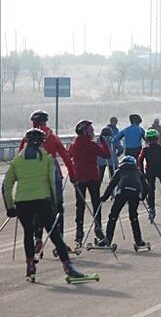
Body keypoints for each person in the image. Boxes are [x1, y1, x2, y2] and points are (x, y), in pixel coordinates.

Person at [4, 129, 88, 282]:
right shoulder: (46, 159)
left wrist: (10, 207)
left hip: (22, 202)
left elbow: (6, 185)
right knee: (54, 234)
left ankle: (30, 266)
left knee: (28, 233)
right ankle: (68, 267)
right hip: (42, 200)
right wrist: (58, 203)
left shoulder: (17, 161)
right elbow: (54, 182)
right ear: (42, 142)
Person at [18, 110, 76, 253]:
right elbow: (65, 156)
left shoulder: (27, 138)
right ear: (45, 121)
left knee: (38, 207)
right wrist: (73, 174)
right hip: (53, 173)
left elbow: (20, 158)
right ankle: (60, 241)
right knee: (57, 207)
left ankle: (38, 238)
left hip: (34, 176)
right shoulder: (52, 137)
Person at [69, 120, 111, 246]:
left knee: (80, 206)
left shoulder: (73, 145)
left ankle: (79, 232)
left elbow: (68, 156)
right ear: (84, 131)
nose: (92, 132)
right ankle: (98, 230)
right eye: (90, 130)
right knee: (96, 203)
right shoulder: (91, 145)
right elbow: (107, 155)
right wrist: (104, 142)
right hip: (93, 177)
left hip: (79, 178)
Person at [98, 156, 149, 248]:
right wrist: (142, 197)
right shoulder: (138, 172)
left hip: (122, 192)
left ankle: (108, 239)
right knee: (133, 216)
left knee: (113, 215)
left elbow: (111, 185)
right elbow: (146, 187)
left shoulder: (119, 171)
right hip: (135, 192)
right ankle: (138, 241)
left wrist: (104, 197)